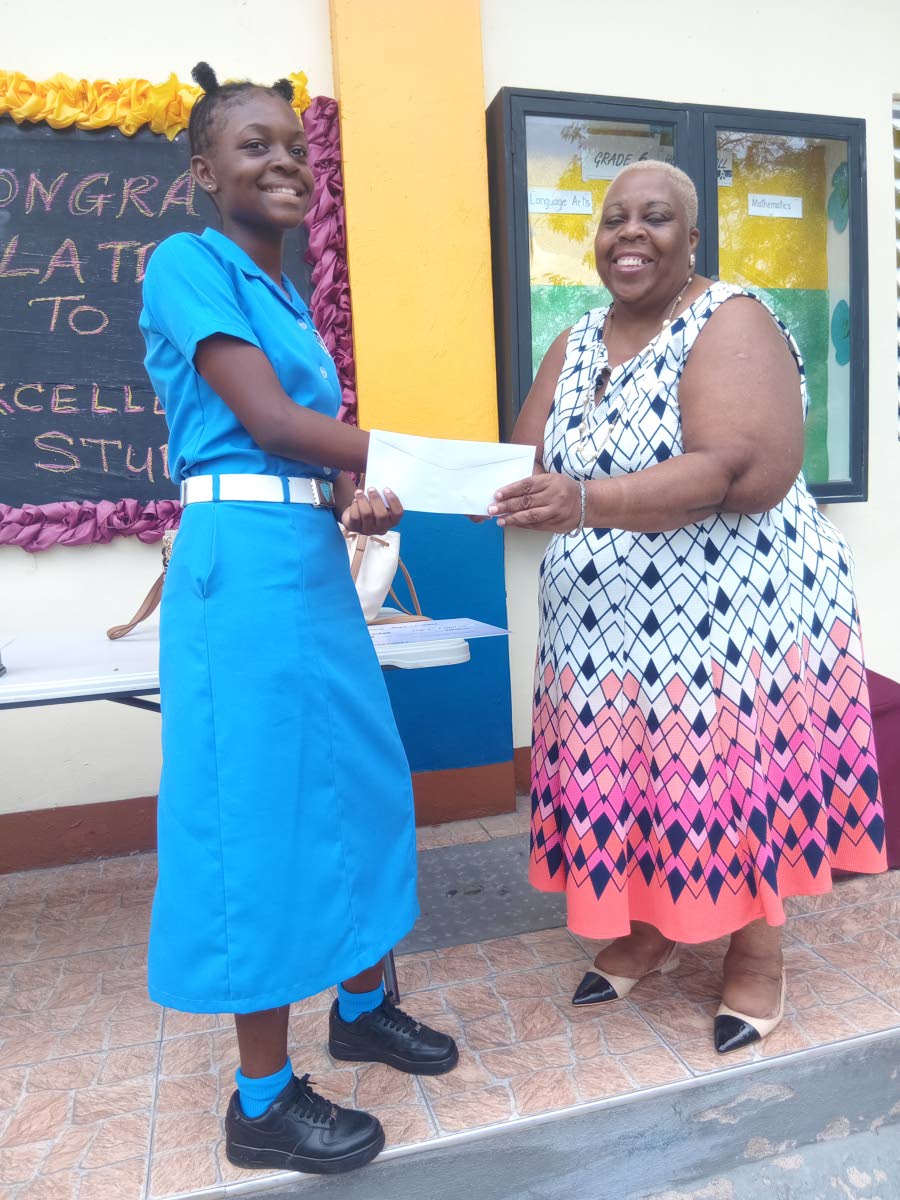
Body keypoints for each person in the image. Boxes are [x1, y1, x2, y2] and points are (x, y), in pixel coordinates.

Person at [489, 160, 886, 1053]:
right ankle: (653, 923)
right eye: (613, 218)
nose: (630, 233)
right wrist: (398, 487)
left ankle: (756, 952)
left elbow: (741, 471)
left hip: (728, 623)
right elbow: (515, 467)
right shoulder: (577, 338)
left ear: (693, 237)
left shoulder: (729, 317)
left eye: (656, 217)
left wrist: (588, 502)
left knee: (727, 783)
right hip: (604, 640)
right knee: (636, 785)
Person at [139, 62, 457, 1176]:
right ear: (204, 170)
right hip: (239, 569)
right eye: (254, 146)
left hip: (308, 557)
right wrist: (425, 461)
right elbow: (268, 423)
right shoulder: (185, 263)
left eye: (294, 146)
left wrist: (356, 492)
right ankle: (260, 1101)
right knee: (261, 807)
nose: (284, 162)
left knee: (362, 777)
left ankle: (363, 1002)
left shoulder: (289, 300)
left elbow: (307, 458)